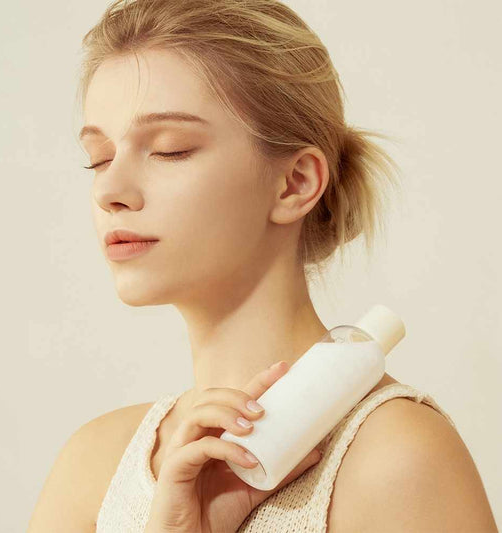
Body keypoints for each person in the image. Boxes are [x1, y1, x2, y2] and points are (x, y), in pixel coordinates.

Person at [28, 0, 498, 531]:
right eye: (99, 158)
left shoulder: (394, 459)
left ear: (295, 183)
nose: (109, 190)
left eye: (169, 150)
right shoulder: (93, 466)